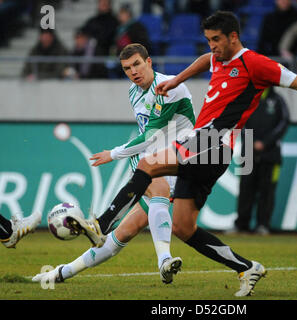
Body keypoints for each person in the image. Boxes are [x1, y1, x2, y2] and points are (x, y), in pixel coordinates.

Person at [69, 11, 297, 297]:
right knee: (183, 227)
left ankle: (103, 223)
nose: (212, 46)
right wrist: (178, 78)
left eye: (216, 39)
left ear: (233, 36)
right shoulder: (216, 58)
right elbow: (204, 60)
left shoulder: (256, 64)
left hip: (215, 141)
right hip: (204, 145)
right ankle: (247, 268)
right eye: (208, 40)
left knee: (150, 162)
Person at [32, 43, 196, 285]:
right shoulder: (133, 92)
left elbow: (152, 135)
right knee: (123, 234)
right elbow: (148, 136)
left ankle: (103, 224)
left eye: (137, 64)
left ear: (149, 62)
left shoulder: (169, 87)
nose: (133, 72)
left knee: (151, 193)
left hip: (181, 160)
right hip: (153, 163)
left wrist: (115, 153)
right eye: (127, 68)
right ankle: (60, 273)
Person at [234, 87, 290, 235]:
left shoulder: (277, 100)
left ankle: (263, 225)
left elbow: (284, 122)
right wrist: (252, 141)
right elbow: (240, 121)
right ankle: (241, 225)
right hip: (248, 153)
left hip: (270, 154)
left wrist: (266, 142)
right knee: (245, 188)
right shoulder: (248, 98)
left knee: (267, 191)